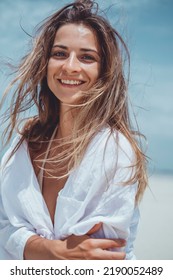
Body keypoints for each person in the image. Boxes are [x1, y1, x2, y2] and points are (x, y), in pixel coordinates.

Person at [0, 0, 147, 260]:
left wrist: (30, 245)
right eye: (59, 53)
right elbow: (5, 226)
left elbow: (98, 259)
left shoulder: (114, 152)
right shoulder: (25, 142)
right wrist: (54, 250)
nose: (70, 66)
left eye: (87, 57)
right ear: (45, 63)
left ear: (104, 72)